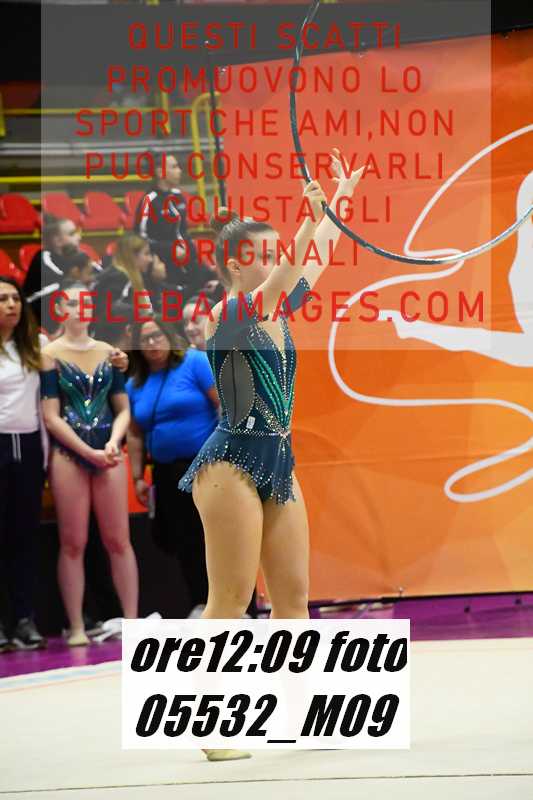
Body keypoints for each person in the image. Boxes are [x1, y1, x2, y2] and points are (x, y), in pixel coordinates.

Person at [177, 149, 364, 762]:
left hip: (278, 460)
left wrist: (338, 201)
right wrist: (310, 217)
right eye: (265, 251)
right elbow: (288, 272)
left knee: (294, 597)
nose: (279, 257)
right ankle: (209, 724)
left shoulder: (278, 310)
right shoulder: (228, 313)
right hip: (230, 464)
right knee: (232, 599)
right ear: (236, 262)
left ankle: (307, 713)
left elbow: (317, 258)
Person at [40, 280, 139, 646]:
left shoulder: (108, 352)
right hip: (70, 453)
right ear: (60, 310)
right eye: (72, 303)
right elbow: (51, 416)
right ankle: (77, 626)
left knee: (119, 540)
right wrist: (86, 450)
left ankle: (133, 621)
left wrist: (113, 441)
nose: (80, 308)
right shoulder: (49, 354)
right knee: (73, 542)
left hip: (108, 451)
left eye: (86, 302)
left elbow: (123, 409)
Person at [126, 316, 220, 616]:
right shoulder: (135, 383)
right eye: (144, 339)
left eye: (157, 335)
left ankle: (233, 603)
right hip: (166, 473)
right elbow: (135, 434)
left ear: (169, 335)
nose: (152, 343)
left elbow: (222, 405)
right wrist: (138, 476)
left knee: (215, 535)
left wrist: (224, 453)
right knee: (182, 538)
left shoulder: (195, 362)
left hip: (205, 467)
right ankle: (200, 602)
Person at [0, 277, 47, 651]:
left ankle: (23, 618)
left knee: (24, 536)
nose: (12, 304)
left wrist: (118, 358)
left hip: (29, 445)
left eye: (15, 298)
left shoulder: (35, 345)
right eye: (3, 299)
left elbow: (80, 350)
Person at [134, 151, 220, 301]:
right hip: (164, 263)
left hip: (187, 260)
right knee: (182, 295)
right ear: (160, 172)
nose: (179, 170)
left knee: (216, 280)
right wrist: (169, 249)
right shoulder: (150, 201)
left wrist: (194, 255)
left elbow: (183, 232)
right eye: (174, 167)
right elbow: (139, 239)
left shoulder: (178, 196)